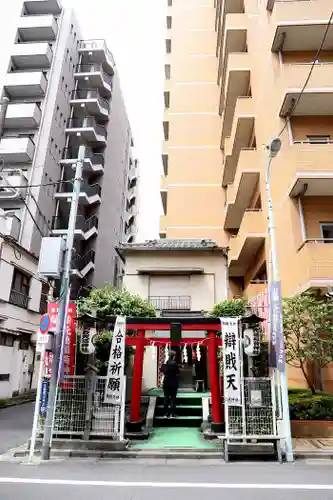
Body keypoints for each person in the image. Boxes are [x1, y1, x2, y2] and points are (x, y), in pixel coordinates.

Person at [161, 350, 180, 418]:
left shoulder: (165, 363)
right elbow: (178, 372)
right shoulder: (175, 364)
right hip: (174, 383)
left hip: (166, 383)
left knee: (166, 398)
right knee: (173, 398)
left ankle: (165, 414)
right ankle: (172, 413)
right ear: (174, 356)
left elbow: (162, 371)